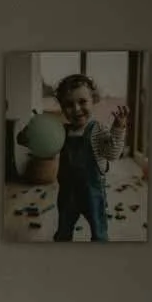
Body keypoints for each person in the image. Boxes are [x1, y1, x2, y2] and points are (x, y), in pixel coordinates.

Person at [51, 74, 128, 242]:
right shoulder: (60, 132)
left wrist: (118, 128)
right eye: (69, 105)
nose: (77, 109)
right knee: (63, 231)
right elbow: (46, 150)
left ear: (93, 100)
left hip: (92, 192)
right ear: (62, 108)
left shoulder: (97, 130)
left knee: (99, 232)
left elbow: (112, 154)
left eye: (82, 102)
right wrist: (30, 138)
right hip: (67, 193)